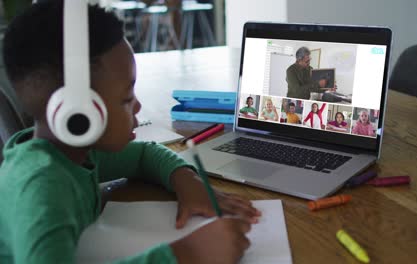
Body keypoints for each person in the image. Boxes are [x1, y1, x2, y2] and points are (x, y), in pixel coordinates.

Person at [0, 2, 260, 264]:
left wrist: (187, 182)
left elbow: (144, 155)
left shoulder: (74, 154)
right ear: (78, 115)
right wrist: (186, 254)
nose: (137, 106)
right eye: (126, 98)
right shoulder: (42, 188)